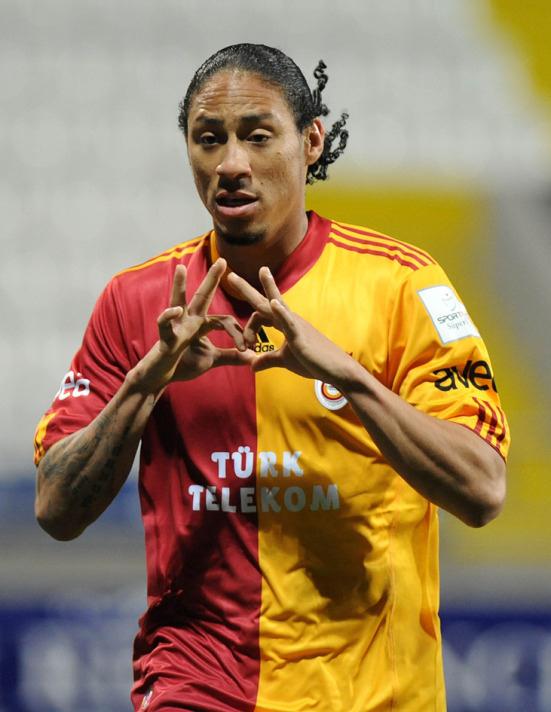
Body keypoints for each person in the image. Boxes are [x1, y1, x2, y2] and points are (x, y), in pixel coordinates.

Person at [34, 43, 509, 711]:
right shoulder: (137, 302)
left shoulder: (404, 285)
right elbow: (56, 510)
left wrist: (348, 376)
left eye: (257, 136)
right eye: (209, 139)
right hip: (196, 683)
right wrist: (147, 381)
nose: (231, 164)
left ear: (310, 142)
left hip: (375, 691)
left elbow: (482, 490)